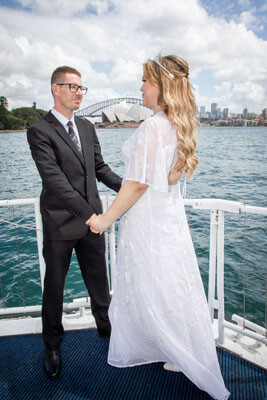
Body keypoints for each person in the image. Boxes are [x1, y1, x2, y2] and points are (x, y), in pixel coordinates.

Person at [88, 55, 230, 400]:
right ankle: (178, 345)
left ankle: (175, 347)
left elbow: (137, 184)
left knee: (155, 278)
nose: (140, 88)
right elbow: (167, 178)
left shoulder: (153, 125)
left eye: (145, 81)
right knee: (168, 278)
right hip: (167, 214)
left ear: (162, 86)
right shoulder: (177, 124)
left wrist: (105, 219)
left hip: (148, 217)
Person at [27, 66, 122, 380]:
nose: (80, 92)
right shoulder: (39, 130)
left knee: (99, 280)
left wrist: (130, 189)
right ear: (56, 88)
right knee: (54, 286)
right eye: (73, 87)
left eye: (82, 88)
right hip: (61, 222)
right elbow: (55, 181)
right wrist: (91, 215)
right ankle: (52, 345)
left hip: (92, 219)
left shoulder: (86, 126)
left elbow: (100, 168)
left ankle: (107, 330)